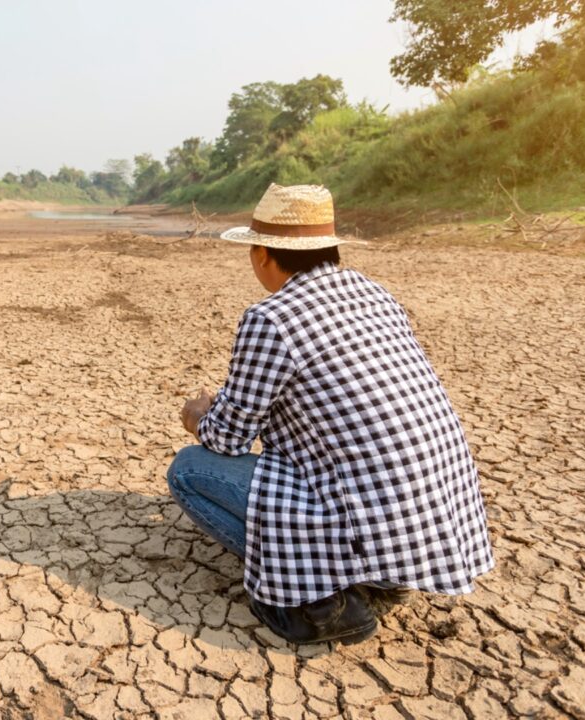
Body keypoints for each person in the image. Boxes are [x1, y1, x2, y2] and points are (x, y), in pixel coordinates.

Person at [168, 184, 494, 645]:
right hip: (427, 527)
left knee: (188, 470)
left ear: (262, 254)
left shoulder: (272, 318)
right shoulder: (373, 293)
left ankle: (320, 602)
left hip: (367, 514)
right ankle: (381, 576)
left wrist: (198, 415)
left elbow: (228, 439)